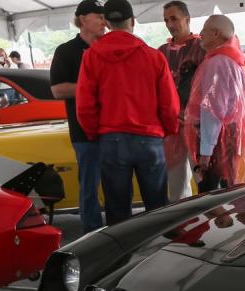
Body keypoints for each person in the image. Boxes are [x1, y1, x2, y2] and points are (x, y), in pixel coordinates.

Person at [76, 0, 179, 225]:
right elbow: (170, 105)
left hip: (111, 140)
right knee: (158, 209)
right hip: (150, 140)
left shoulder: (91, 57)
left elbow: (84, 105)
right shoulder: (154, 57)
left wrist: (95, 134)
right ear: (132, 21)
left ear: (106, 22)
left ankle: (122, 259)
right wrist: (168, 130)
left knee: (117, 212)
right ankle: (160, 255)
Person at [185, 15, 245, 191]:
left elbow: (212, 110)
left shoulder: (217, 63)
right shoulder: (233, 61)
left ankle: (221, 220)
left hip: (217, 143)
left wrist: (206, 152)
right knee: (226, 191)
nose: (200, 34)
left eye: (204, 30)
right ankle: (226, 219)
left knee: (209, 196)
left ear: (216, 33)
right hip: (228, 139)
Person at [50, 0, 106, 232]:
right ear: (83, 19)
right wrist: (94, 86)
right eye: (98, 16)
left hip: (114, 128)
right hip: (84, 132)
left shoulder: (109, 47)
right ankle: (91, 234)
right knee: (90, 185)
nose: (104, 21)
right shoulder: (66, 51)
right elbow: (57, 90)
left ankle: (119, 230)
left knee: (116, 184)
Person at [158, 0, 206, 201]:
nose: (170, 24)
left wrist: (195, 115)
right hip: (171, 127)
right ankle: (183, 227)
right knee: (176, 185)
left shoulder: (202, 47)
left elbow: (210, 87)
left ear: (187, 19)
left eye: (174, 18)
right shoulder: (161, 51)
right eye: (166, 20)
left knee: (206, 181)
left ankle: (215, 225)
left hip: (199, 126)